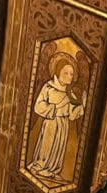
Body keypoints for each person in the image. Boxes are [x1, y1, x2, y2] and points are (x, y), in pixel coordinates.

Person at [27, 52, 86, 183]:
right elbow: (38, 105)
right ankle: (40, 166)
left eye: (71, 74)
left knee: (58, 147)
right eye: (66, 73)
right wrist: (53, 108)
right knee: (47, 146)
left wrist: (82, 104)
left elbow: (72, 114)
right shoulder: (48, 87)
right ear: (58, 72)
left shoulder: (70, 93)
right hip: (51, 122)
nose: (69, 76)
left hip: (63, 124)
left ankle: (52, 170)